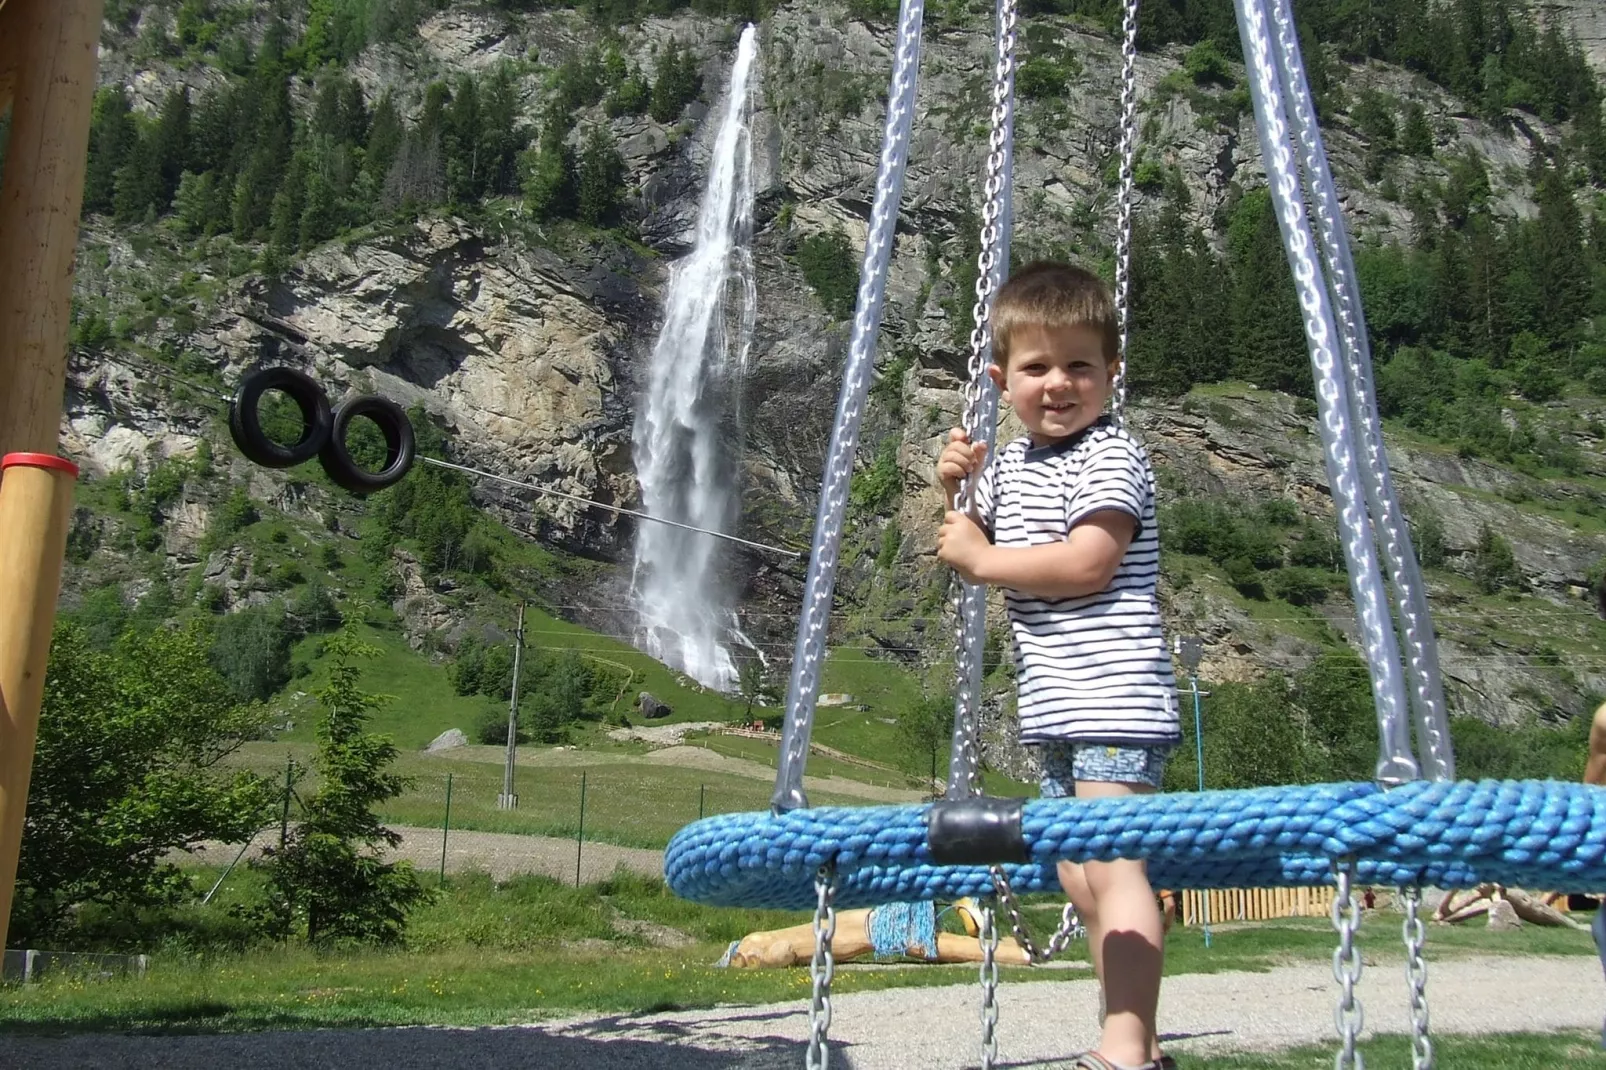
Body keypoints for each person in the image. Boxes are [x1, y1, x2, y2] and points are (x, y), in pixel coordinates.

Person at [935, 261, 1181, 1070]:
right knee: (1080, 874)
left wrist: (981, 561)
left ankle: (1124, 1046)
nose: (1060, 384)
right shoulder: (1012, 466)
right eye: (1038, 367)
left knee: (1106, 867)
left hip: (1115, 695)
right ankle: (1138, 986)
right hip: (1055, 706)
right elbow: (969, 537)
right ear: (1004, 382)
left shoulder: (1111, 457)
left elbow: (1086, 565)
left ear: (1111, 374)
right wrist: (954, 490)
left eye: (1080, 365)